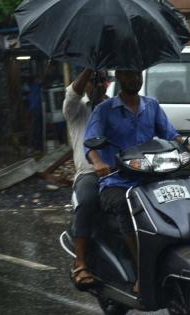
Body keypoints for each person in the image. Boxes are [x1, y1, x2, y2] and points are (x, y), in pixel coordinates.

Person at [84, 70, 190, 292]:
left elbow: (171, 135)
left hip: (151, 176)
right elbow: (90, 143)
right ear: (120, 77)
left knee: (185, 190)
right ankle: (142, 271)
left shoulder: (151, 105)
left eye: (138, 75)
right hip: (118, 181)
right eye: (130, 75)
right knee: (127, 206)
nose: (135, 80)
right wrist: (97, 163)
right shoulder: (104, 110)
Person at [63, 69, 109, 290]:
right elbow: (72, 93)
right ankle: (80, 262)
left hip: (120, 174)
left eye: (101, 80)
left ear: (108, 83)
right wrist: (90, 68)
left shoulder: (115, 107)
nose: (96, 85)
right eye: (92, 82)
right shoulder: (77, 109)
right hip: (89, 174)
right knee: (88, 200)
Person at [27, 76, 44, 153]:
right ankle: (34, 147)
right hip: (36, 109)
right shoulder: (36, 87)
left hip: (34, 109)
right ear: (35, 80)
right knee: (35, 129)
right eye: (37, 78)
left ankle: (34, 147)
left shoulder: (33, 88)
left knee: (35, 128)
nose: (39, 79)